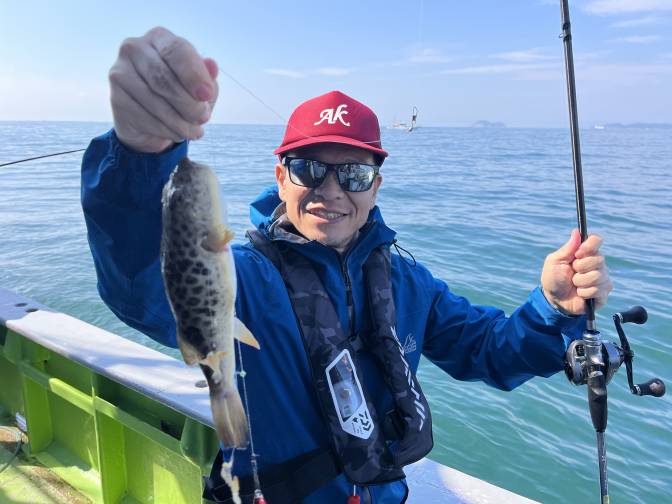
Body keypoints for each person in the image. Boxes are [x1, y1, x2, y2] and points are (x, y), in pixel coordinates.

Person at [81, 27, 612, 504]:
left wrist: (551, 308)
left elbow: (489, 351)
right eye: (309, 169)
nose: (330, 191)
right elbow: (143, 287)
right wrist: (142, 153)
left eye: (354, 174)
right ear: (282, 177)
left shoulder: (408, 283)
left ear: (376, 186)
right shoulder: (242, 278)